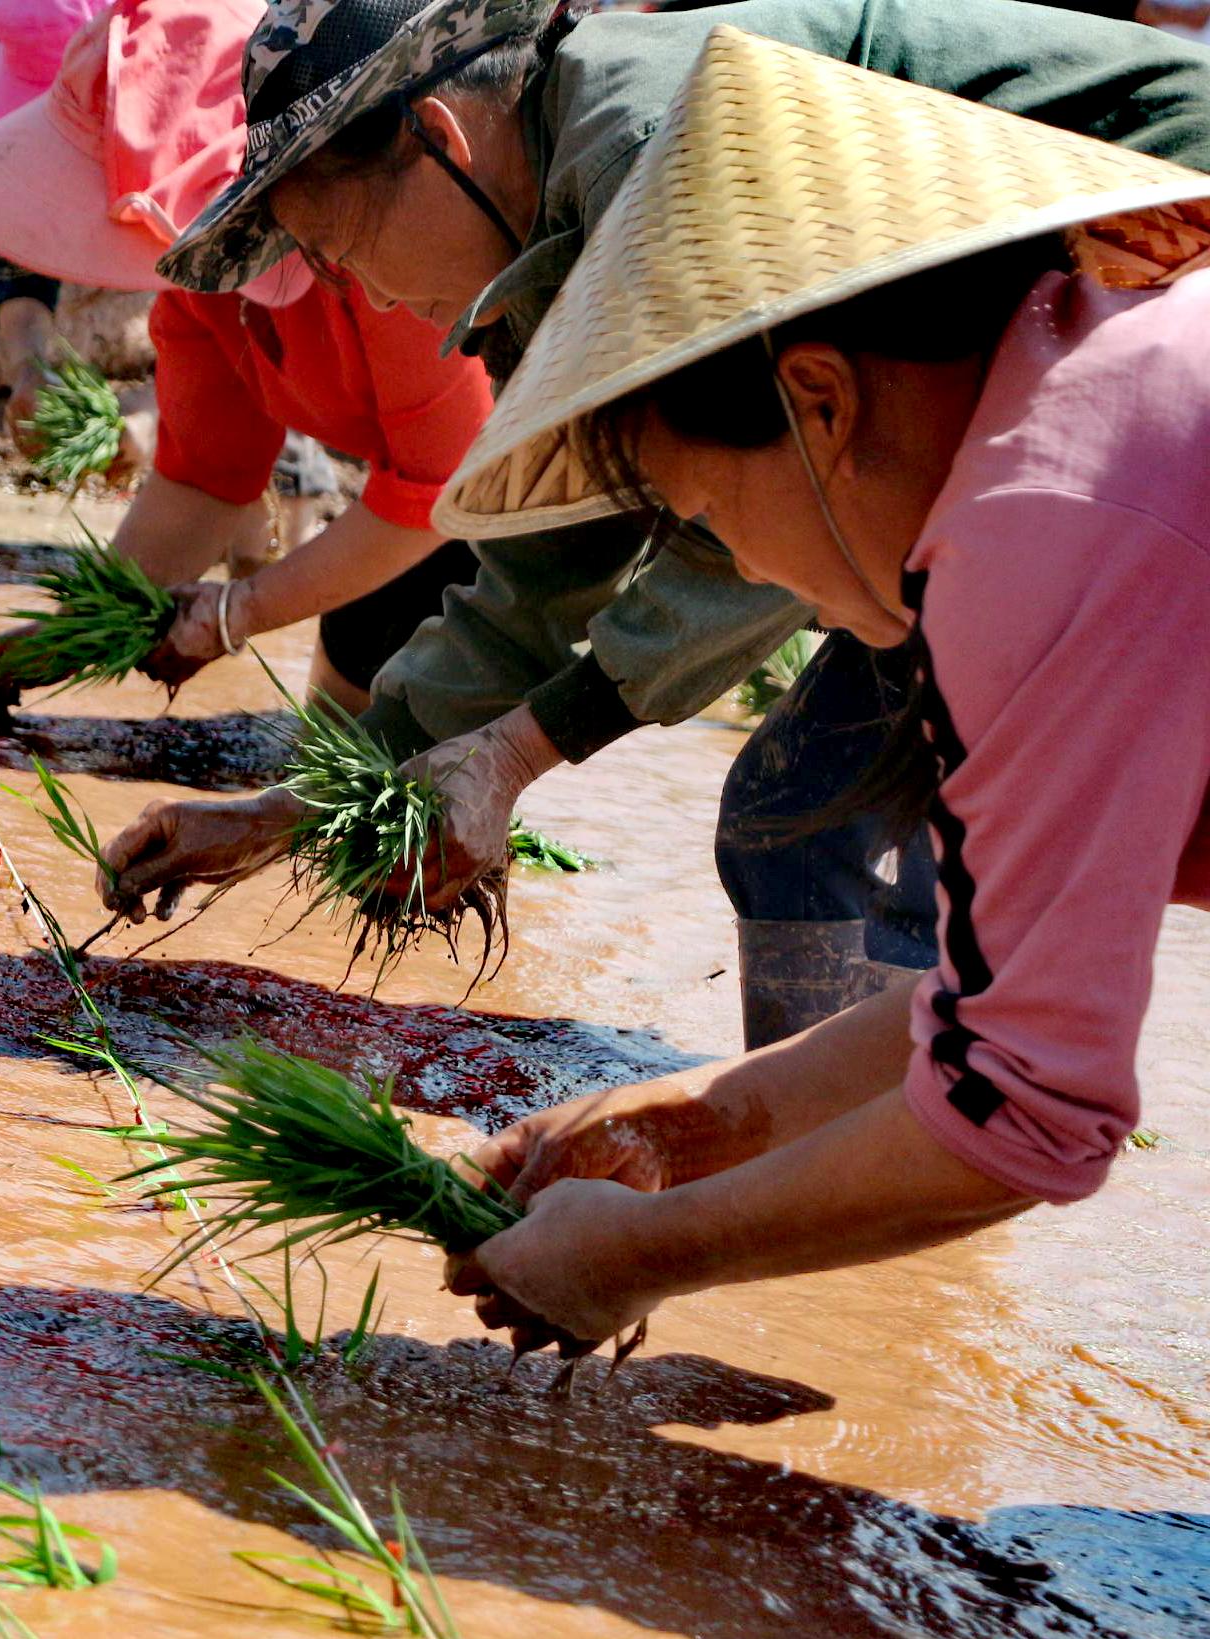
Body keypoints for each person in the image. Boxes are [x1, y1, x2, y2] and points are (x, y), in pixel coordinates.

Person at [106, 0, 1210, 1044]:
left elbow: (779, 522)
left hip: (1155, 276)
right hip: (1018, 391)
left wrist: (519, 749)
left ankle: (860, 1167)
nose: (375, 301)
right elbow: (545, 573)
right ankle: (872, 1142)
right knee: (821, 809)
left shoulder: (652, 157)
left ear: (440, 138)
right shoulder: (544, 241)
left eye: (349, 249)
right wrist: (284, 811)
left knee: (811, 818)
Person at [393, 26, 1210, 1356]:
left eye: (707, 507)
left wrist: (642, 1255)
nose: (738, 565)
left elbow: (1025, 1107)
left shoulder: (1036, 523)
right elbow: (988, 1004)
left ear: (819, 402)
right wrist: (667, 1118)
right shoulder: (1089, 385)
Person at [0, 0, 495, 720]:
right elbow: (203, 481)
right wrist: (72, 639)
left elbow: (437, 489)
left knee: (370, 719)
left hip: (517, 493)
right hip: (422, 500)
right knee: (336, 715)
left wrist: (239, 613)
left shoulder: (387, 255)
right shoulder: (202, 290)